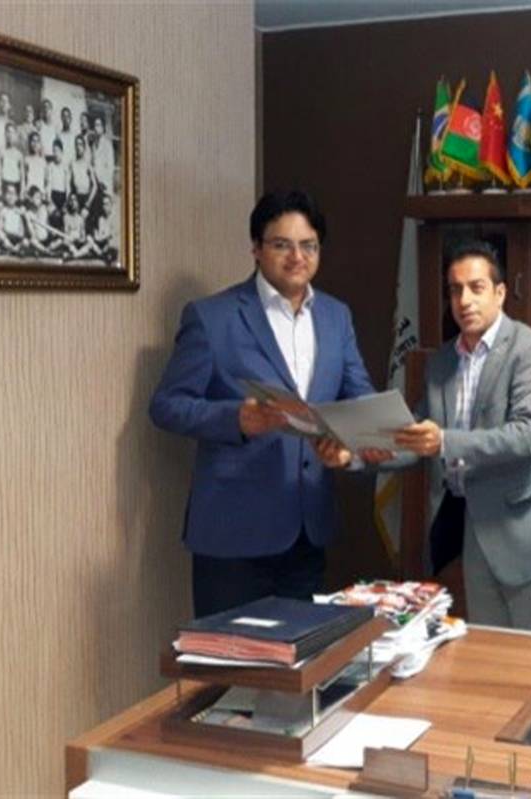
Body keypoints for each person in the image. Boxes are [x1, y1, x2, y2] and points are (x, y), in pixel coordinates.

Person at [322, 240, 531, 634]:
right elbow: (415, 439)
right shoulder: (442, 361)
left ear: (500, 293)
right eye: (455, 290)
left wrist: (445, 442)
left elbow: (528, 435)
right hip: (475, 535)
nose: (464, 300)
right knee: (488, 657)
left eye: (476, 287)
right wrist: (352, 455)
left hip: (529, 536)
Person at [149, 189, 377, 618]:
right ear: (256, 248)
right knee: (230, 658)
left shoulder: (336, 317)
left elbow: (360, 402)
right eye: (281, 245)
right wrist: (235, 419)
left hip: (307, 531)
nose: (297, 257)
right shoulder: (212, 316)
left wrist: (351, 450)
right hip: (233, 535)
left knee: (301, 656)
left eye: (308, 245)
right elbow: (166, 404)